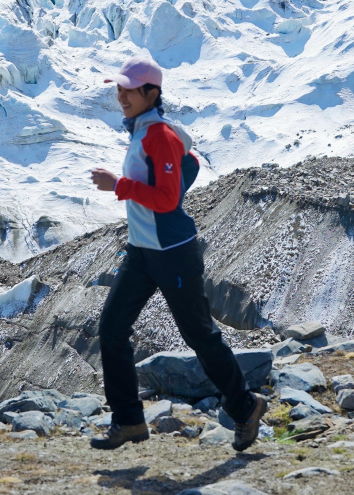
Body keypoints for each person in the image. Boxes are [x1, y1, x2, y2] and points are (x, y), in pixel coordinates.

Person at [89, 54, 267, 451]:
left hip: (172, 253)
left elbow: (167, 199)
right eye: (118, 88)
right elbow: (187, 167)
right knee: (112, 330)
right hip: (142, 251)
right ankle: (129, 421)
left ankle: (245, 406)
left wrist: (118, 185)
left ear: (151, 93)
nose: (121, 96)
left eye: (128, 89)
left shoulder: (159, 135)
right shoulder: (142, 130)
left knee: (199, 335)